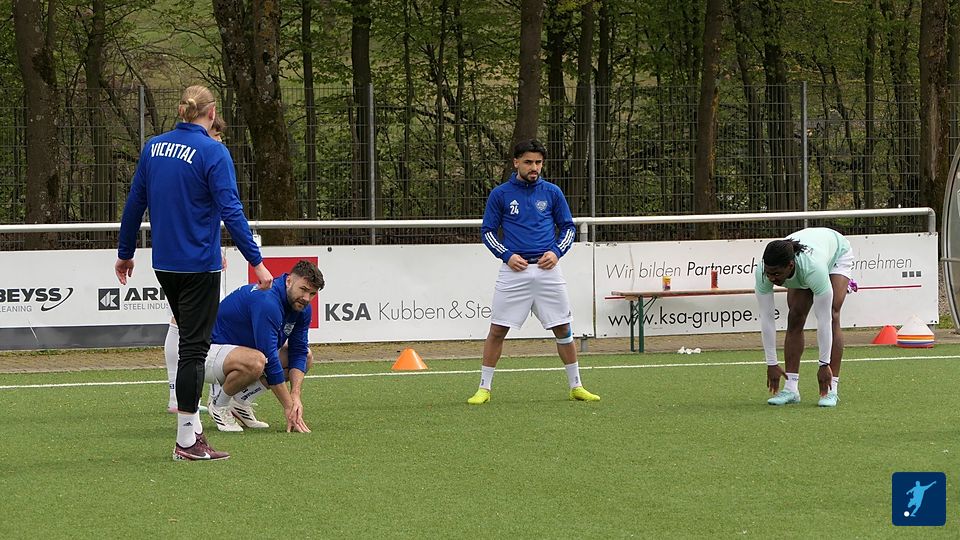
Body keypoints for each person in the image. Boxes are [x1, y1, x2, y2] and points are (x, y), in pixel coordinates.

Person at [116, 85, 274, 461]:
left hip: (164, 264)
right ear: (211, 112)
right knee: (193, 350)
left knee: (187, 340)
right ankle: (187, 441)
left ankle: (193, 430)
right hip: (199, 265)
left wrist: (125, 253)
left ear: (182, 110)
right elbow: (231, 211)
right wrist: (256, 261)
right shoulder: (213, 151)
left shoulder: (154, 147)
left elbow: (135, 202)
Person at [467, 138, 600, 405]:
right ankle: (484, 388)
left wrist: (556, 252)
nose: (534, 167)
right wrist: (507, 255)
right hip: (513, 272)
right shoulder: (501, 194)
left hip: (547, 271)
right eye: (528, 162)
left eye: (538, 162)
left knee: (563, 328)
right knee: (498, 329)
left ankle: (576, 386)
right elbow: (488, 232)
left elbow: (568, 228)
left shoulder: (552, 192)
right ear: (516, 162)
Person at [174, 259, 322, 433]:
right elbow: (270, 359)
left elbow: (298, 350)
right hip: (204, 355)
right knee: (257, 361)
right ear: (288, 281)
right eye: (303, 289)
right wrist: (289, 406)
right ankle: (219, 404)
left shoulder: (302, 307)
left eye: (312, 293)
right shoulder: (268, 301)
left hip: (235, 355)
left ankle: (240, 402)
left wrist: (295, 394)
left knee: (306, 357)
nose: (306, 298)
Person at [164, 115, 228, 415]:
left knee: (187, 327)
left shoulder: (188, 156)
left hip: (185, 254)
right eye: (216, 134)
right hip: (190, 258)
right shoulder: (201, 156)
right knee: (184, 328)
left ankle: (181, 398)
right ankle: (179, 400)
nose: (220, 141)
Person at [755, 227, 854, 408]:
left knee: (832, 312)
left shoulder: (813, 268)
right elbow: (767, 318)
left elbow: (824, 319)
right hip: (811, 257)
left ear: (790, 266)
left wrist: (824, 364)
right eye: (768, 273)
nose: (771, 279)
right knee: (795, 315)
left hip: (837, 253)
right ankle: (791, 388)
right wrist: (772, 363)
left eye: (776, 274)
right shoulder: (763, 272)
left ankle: (831, 389)